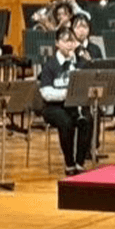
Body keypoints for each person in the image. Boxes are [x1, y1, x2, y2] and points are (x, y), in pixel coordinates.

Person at [39, 27, 92, 176]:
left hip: (74, 105)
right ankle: (69, 164)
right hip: (53, 107)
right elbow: (46, 93)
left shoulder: (80, 63)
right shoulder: (50, 65)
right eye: (66, 41)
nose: (70, 45)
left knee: (88, 119)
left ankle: (80, 163)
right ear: (57, 43)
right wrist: (66, 94)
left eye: (72, 41)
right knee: (66, 122)